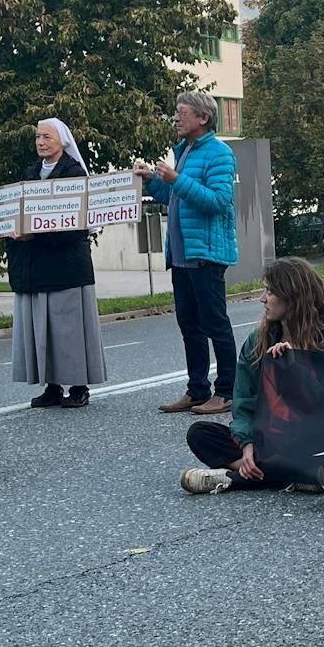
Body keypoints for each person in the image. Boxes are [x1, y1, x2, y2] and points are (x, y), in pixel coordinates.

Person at [180, 258, 324, 494]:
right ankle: (291, 474)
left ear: (292, 298)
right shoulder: (257, 342)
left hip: (314, 438)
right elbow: (243, 402)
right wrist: (247, 444)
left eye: (270, 292)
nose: (262, 299)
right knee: (200, 433)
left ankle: (233, 478)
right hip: (271, 438)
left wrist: (295, 368)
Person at [132, 90, 238, 416]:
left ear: (202, 118)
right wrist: (152, 179)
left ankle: (227, 391)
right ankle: (197, 390)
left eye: (181, 112)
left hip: (205, 254)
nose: (175, 117)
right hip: (181, 255)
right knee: (189, 325)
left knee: (215, 324)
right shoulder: (186, 151)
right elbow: (172, 196)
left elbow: (218, 201)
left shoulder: (219, 153)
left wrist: (177, 178)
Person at [8, 116, 107, 410]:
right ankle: (51, 386)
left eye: (47, 137)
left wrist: (33, 236)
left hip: (65, 267)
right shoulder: (30, 172)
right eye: (38, 137)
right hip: (36, 266)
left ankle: (78, 387)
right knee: (43, 329)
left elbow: (75, 225)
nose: (40, 142)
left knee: (69, 331)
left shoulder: (73, 173)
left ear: (62, 141)